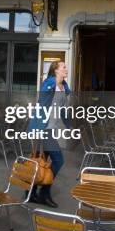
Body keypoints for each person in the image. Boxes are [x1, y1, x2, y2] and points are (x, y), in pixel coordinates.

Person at [28, 60, 71, 208]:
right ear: (56, 70)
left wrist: (69, 126)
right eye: (63, 67)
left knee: (39, 161)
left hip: (49, 129)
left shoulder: (64, 87)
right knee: (58, 160)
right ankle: (43, 193)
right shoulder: (49, 83)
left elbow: (63, 108)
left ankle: (31, 193)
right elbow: (42, 97)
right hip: (41, 128)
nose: (66, 69)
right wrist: (53, 82)